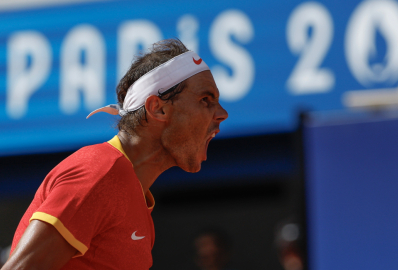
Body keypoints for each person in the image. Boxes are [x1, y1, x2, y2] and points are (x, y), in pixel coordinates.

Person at [1, 39, 228, 270]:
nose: (222, 114)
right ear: (158, 108)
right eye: (205, 100)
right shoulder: (99, 173)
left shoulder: (137, 205)